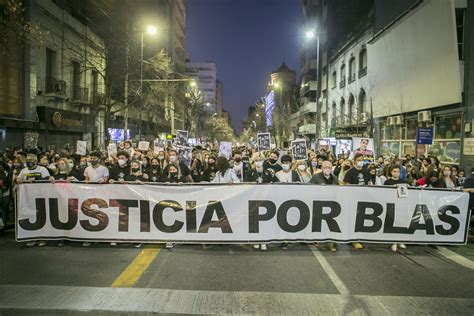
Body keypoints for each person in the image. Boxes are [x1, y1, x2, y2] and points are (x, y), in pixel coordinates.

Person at [309, 160, 338, 251]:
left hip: (331, 204)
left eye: (329, 167)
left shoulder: (335, 178)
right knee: (317, 223)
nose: (327, 169)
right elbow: (309, 189)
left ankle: (330, 243)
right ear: (322, 168)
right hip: (319, 203)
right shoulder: (316, 177)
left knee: (330, 224)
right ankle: (315, 239)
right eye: (325, 167)